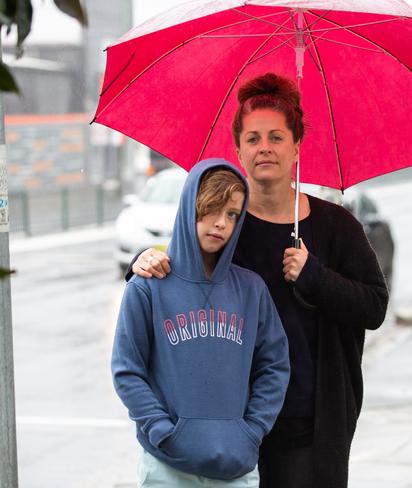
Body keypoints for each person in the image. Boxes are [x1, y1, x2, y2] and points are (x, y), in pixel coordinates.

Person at [128, 73, 389, 488]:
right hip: (229, 425)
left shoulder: (335, 226)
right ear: (237, 150)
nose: (264, 147)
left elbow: (374, 307)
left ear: (297, 146)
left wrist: (315, 277)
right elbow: (182, 272)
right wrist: (146, 260)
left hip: (311, 422)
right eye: (252, 139)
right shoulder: (226, 224)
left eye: (276, 137)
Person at [112, 158, 290, 487]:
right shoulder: (148, 285)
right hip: (167, 466)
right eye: (212, 208)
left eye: (232, 214)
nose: (220, 223)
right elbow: (127, 370)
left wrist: (251, 430)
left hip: (236, 466)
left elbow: (274, 367)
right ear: (190, 206)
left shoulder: (251, 289)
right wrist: (161, 429)